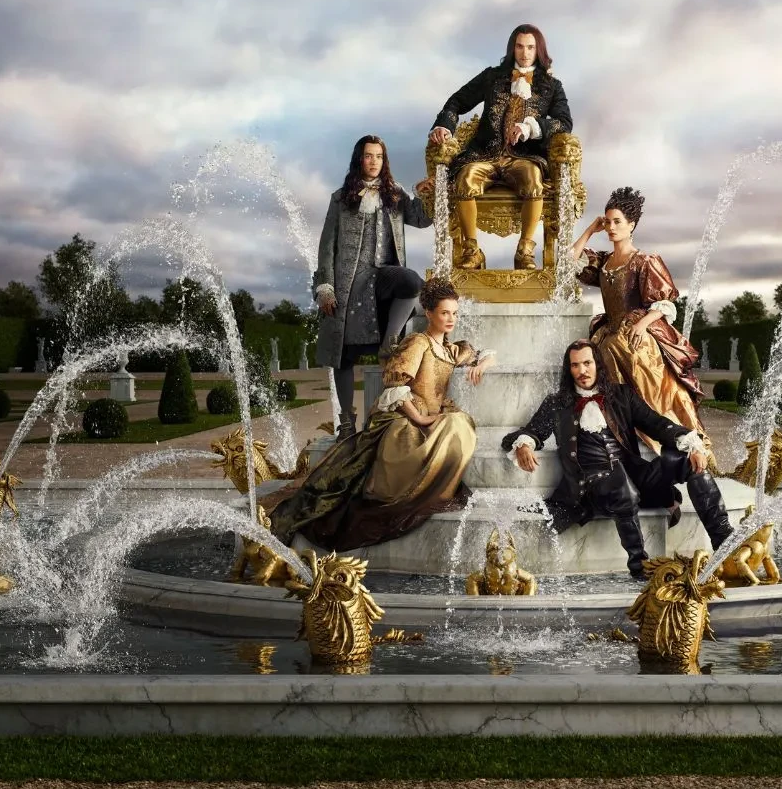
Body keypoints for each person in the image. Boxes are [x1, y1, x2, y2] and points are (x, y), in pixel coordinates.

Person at [272, 278, 495, 551]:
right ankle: (415, 490)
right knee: (457, 424)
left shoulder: (449, 350)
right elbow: (395, 385)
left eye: (455, 313)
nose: (451, 319)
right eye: (445, 312)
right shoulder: (418, 343)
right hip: (405, 421)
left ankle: (437, 489)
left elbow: (485, 354)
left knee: (460, 423)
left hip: (432, 419)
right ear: (429, 313)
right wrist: (421, 418)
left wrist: (482, 363)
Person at [501, 340, 736, 580]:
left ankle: (725, 544)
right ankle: (640, 565)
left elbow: (656, 424)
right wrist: (524, 444)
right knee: (622, 487)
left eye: (587, 363)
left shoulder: (621, 394)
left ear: (597, 364)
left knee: (686, 461)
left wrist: (692, 445)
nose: (582, 371)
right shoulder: (557, 403)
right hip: (591, 485)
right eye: (575, 365)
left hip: (632, 474)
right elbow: (531, 431)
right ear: (568, 369)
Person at [313, 134, 437, 436]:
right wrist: (325, 286)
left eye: (379, 156)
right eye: (369, 156)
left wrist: (428, 193)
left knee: (411, 281)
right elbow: (327, 245)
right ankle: (346, 421)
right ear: (360, 159)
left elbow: (422, 220)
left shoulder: (394, 195)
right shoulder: (341, 198)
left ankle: (389, 343)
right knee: (343, 353)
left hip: (383, 276)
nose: (374, 162)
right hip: (348, 282)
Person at [570, 186, 709, 453]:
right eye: (607, 222)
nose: (611, 227)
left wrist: (642, 324)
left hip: (636, 333)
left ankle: (666, 439)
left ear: (631, 225)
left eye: (617, 222)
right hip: (608, 335)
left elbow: (665, 302)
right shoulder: (603, 262)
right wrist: (589, 230)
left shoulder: (645, 260)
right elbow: (567, 262)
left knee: (643, 377)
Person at [429, 23, 573, 271]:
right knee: (465, 178)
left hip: (525, 157)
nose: (525, 53)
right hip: (486, 153)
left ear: (539, 49)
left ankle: (525, 252)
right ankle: (472, 251)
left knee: (533, 179)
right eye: (519, 46)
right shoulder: (492, 76)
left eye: (530, 47)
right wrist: (444, 126)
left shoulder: (552, 86)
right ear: (512, 48)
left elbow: (564, 123)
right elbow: (457, 101)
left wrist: (531, 127)